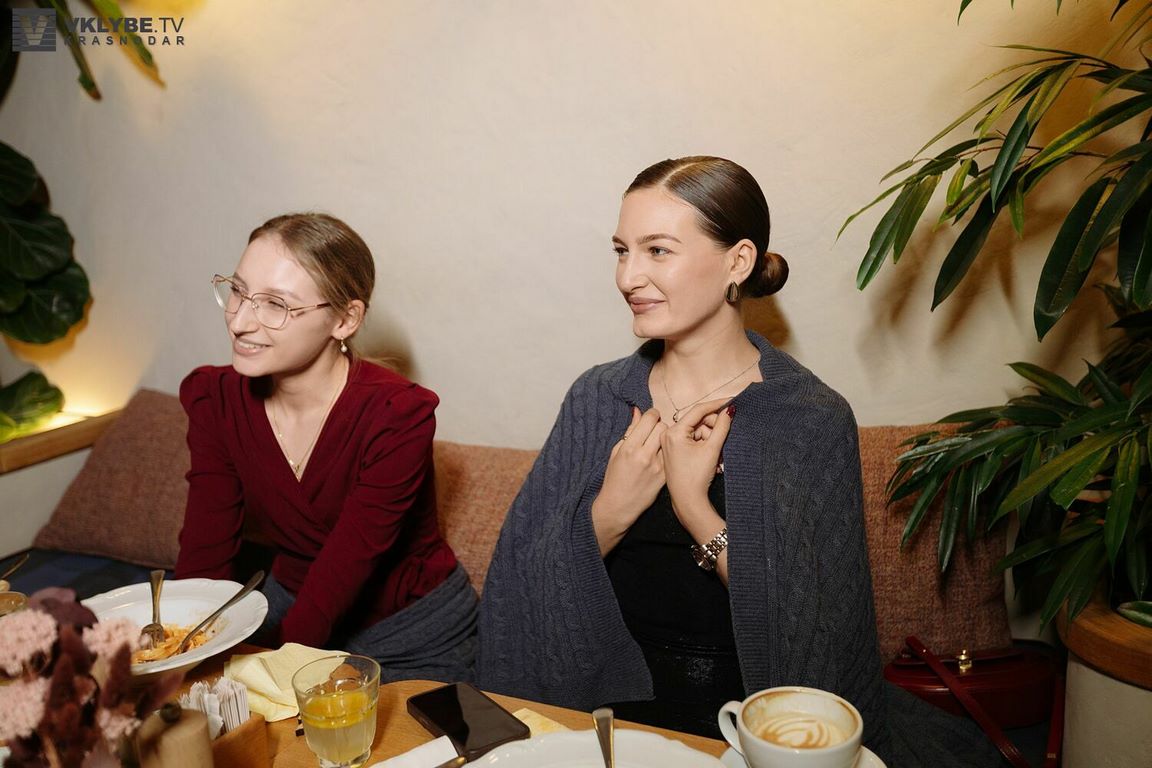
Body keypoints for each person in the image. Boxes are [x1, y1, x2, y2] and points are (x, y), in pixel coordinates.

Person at [476, 157, 1002, 766]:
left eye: (657, 251)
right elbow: (519, 587)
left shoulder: (809, 417)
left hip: (750, 721)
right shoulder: (597, 397)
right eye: (622, 251)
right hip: (599, 711)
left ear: (738, 261)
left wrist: (695, 508)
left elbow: (816, 634)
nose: (628, 276)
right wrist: (608, 514)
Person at [174, 213, 476, 681]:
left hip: (411, 631)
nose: (240, 321)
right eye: (238, 291)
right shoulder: (216, 400)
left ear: (345, 319)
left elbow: (348, 564)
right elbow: (205, 553)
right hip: (290, 603)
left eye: (276, 304)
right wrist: (181, 655)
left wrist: (281, 671)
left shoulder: (397, 415)